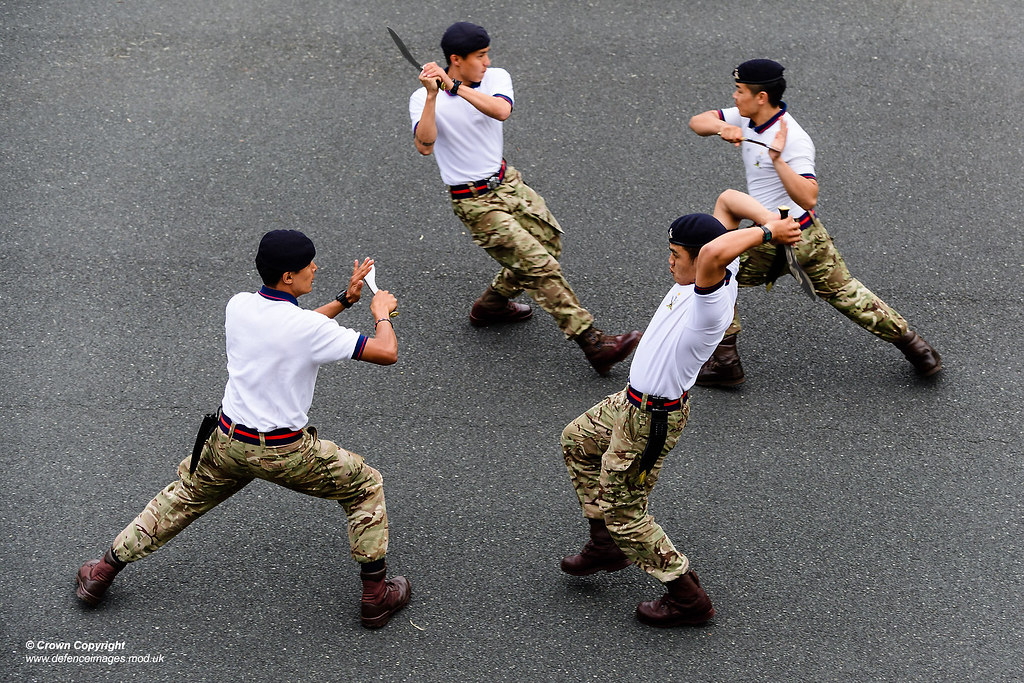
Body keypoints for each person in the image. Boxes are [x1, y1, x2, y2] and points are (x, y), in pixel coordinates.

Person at [75, 230, 411, 629]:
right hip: (285, 453)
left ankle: (101, 573)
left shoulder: (240, 306)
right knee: (365, 485)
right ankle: (375, 597)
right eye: (309, 265)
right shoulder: (305, 330)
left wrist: (343, 299)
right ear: (288, 276)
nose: (315, 268)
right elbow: (385, 352)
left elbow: (292, 329)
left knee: (181, 499)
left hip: (227, 442)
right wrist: (380, 312)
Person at [560, 190, 801, 627]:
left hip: (652, 419)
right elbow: (728, 201)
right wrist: (776, 223)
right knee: (576, 440)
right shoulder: (721, 262)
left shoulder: (711, 300)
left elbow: (713, 248)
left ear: (699, 258)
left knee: (625, 510)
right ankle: (605, 545)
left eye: (675, 255)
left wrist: (768, 232)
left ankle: (686, 595)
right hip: (629, 402)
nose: (669, 262)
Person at [688, 59, 941, 385]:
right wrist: (723, 127)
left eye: (739, 91)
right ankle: (918, 349)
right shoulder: (746, 116)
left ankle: (725, 360)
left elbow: (808, 196)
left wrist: (777, 160)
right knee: (846, 293)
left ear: (761, 96)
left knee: (713, 269)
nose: (734, 97)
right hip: (806, 235)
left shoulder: (794, 139)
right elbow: (698, 121)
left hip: (774, 235)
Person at [407, 21, 640, 375]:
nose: (486, 62)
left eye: (487, 55)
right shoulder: (423, 98)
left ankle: (492, 305)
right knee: (537, 265)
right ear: (456, 58)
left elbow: (501, 111)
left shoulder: (496, 78)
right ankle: (593, 342)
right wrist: (432, 96)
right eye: (479, 56)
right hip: (472, 200)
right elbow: (424, 146)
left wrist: (454, 85)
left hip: (507, 182)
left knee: (549, 244)